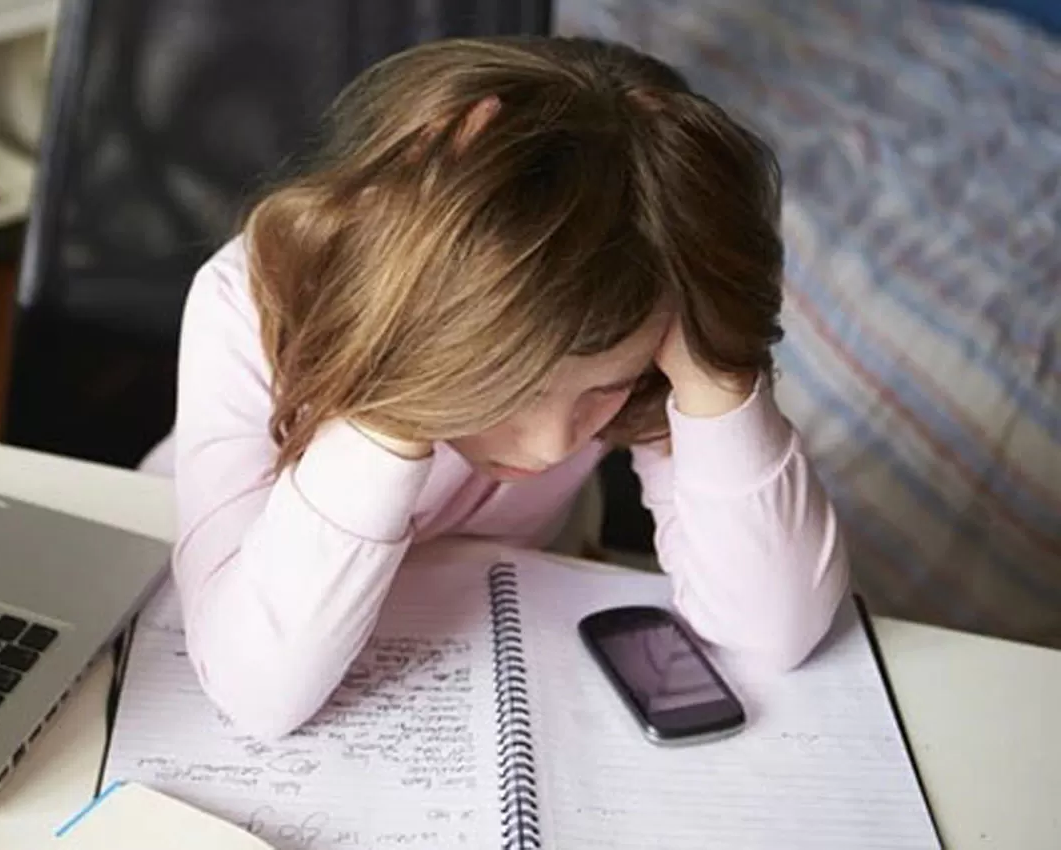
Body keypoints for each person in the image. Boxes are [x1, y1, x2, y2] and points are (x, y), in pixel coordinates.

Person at [158, 36, 849, 739]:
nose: (553, 447)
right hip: (216, 585)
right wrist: (405, 371)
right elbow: (256, 693)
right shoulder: (244, 302)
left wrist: (714, 367)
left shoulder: (640, 316)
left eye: (604, 389)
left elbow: (772, 633)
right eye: (510, 389)